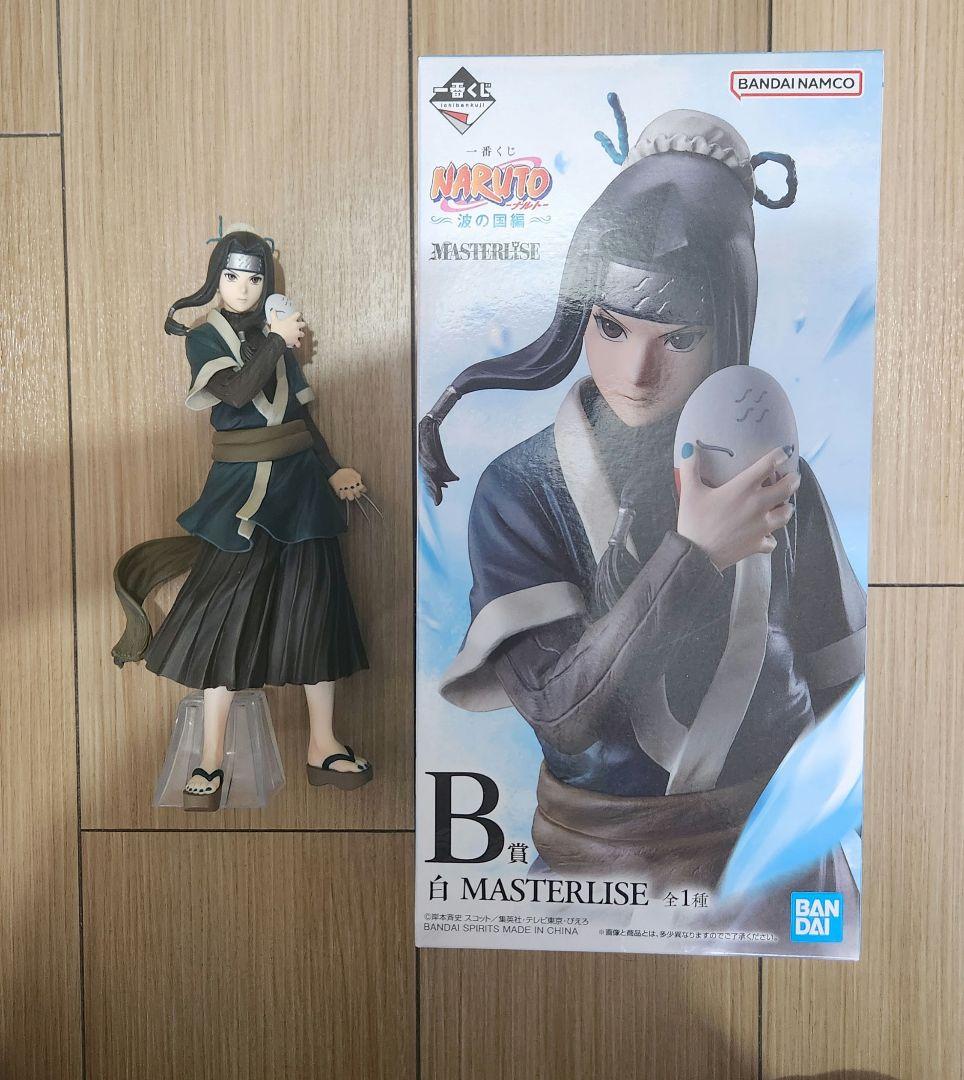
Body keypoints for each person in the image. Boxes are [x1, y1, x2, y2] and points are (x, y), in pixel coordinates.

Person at [419, 109, 865, 888]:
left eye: (679, 338)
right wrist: (694, 556)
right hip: (598, 862)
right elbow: (561, 713)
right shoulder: (522, 489)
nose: (635, 373)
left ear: (728, 329)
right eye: (611, 326)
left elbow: (841, 686)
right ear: (580, 313)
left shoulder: (779, 472)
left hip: (780, 860)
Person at [114, 227, 372, 809]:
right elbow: (233, 394)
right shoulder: (206, 336)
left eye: (254, 277)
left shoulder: (273, 333)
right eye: (231, 276)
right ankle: (210, 758)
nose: (243, 287)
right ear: (216, 279)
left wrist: (332, 468)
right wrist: (277, 340)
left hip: (301, 487)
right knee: (224, 618)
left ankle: (324, 743)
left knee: (315, 610)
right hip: (241, 489)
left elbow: (300, 419)